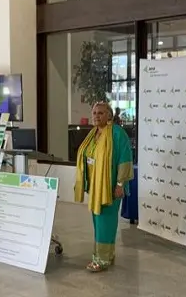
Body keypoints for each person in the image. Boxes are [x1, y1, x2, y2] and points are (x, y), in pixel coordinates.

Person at [74, 102, 134, 272]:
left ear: (109, 115)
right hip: (95, 186)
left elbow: (125, 159)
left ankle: (101, 260)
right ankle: (107, 254)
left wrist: (120, 184)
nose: (96, 116)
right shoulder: (93, 133)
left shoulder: (117, 133)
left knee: (105, 221)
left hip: (111, 186)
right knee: (98, 221)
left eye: (100, 113)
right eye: (94, 113)